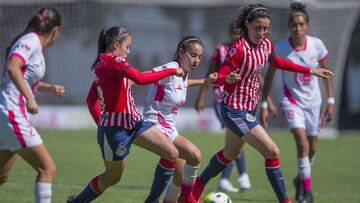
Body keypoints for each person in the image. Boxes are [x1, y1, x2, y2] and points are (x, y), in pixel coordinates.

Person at [191, 4, 333, 203]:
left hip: (248, 109)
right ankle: (286, 201)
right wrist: (225, 79)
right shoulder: (239, 49)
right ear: (248, 24)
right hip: (233, 110)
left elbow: (279, 63)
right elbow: (221, 75)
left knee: (229, 154)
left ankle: (196, 188)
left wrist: (310, 70)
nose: (262, 32)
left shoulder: (266, 45)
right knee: (272, 151)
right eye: (258, 27)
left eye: (266, 29)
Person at [67, 26, 184, 203]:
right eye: (127, 46)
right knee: (112, 178)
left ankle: (152, 200)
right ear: (115, 45)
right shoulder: (114, 61)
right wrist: (172, 71)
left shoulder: (102, 64)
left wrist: (102, 123)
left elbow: (91, 100)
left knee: (171, 153)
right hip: (115, 132)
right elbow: (140, 79)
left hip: (135, 123)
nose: (129, 51)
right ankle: (78, 201)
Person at [260, 2, 335, 203]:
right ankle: (306, 193)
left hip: (314, 102)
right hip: (291, 101)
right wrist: (265, 104)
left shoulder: (317, 45)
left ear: (307, 26)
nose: (298, 28)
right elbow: (268, 77)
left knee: (311, 148)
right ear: (289, 26)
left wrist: (330, 100)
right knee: (301, 143)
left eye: (301, 24)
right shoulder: (281, 48)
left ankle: (301, 179)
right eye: (294, 24)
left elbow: (327, 74)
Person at [0, 8, 63, 203]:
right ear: (56, 30)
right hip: (11, 113)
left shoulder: (34, 44)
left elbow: (26, 77)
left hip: (7, 114)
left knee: (1, 176)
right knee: (48, 168)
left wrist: (49, 88)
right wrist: (30, 98)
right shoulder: (31, 41)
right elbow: (13, 67)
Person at [143, 36, 215, 203]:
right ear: (181, 52)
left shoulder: (182, 73)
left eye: (199, 56)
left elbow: (182, 84)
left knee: (180, 175)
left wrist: (203, 82)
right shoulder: (170, 68)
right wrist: (122, 87)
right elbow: (142, 76)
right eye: (193, 54)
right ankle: (186, 199)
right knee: (194, 155)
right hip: (154, 124)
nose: (196, 60)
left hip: (169, 126)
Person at [195, 22, 255, 193]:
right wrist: (200, 97)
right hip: (222, 100)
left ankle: (227, 179)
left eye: (239, 33)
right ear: (230, 33)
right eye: (234, 32)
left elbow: (257, 75)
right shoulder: (221, 50)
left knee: (235, 141)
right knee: (237, 135)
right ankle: (240, 175)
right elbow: (210, 74)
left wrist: (267, 102)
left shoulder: (249, 50)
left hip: (241, 101)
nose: (237, 35)